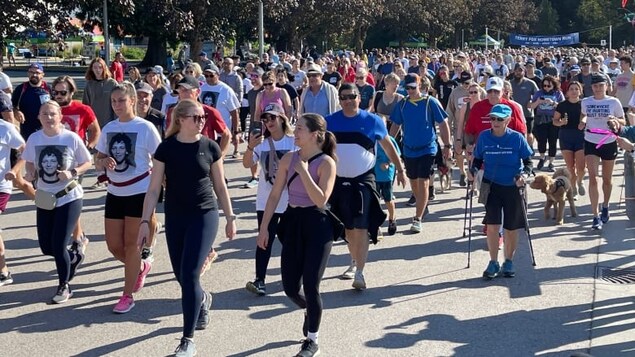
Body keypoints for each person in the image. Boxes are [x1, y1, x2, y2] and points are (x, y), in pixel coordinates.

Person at [136, 99, 236, 356]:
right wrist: (145, 222)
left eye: (203, 117)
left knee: (190, 274)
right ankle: (202, 298)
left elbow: (220, 186)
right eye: (196, 117)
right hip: (176, 215)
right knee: (182, 276)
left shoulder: (210, 147)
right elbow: (154, 188)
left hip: (204, 214)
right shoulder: (166, 148)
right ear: (180, 119)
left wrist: (230, 217)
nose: (201, 121)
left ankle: (187, 340)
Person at [257, 113, 337, 357]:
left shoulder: (326, 163)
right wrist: (264, 228)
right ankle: (310, 310)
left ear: (315, 135)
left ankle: (312, 339)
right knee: (290, 287)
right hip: (292, 221)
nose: (295, 132)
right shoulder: (288, 159)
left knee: (311, 284)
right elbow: (274, 195)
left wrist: (303, 172)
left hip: (318, 224)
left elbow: (321, 200)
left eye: (300, 128)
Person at [327, 83, 405, 290]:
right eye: (343, 97)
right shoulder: (329, 122)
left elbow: (389, 147)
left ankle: (359, 272)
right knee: (348, 228)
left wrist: (400, 169)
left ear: (359, 98)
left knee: (361, 227)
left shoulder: (373, 121)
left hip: (363, 180)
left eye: (351, 96)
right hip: (338, 181)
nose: (347, 101)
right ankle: (353, 262)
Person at [95, 82, 162, 313]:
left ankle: (127, 295)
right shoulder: (109, 128)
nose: (117, 105)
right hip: (114, 192)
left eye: (121, 100)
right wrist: (102, 162)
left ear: (132, 101)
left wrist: (162, 186)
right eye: (113, 101)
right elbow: (98, 157)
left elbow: (160, 159)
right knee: (114, 246)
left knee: (132, 245)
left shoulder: (145, 128)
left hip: (139, 192)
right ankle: (140, 267)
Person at [21, 100, 92, 302]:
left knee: (59, 243)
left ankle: (64, 286)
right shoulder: (35, 138)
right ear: (39, 117)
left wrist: (72, 172)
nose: (49, 118)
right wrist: (30, 172)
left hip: (69, 196)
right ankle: (74, 258)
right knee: (46, 246)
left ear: (60, 116)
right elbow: (29, 162)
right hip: (44, 196)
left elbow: (87, 162)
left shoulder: (70, 138)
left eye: (53, 114)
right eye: (45, 114)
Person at [470, 104, 533, 280]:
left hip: (513, 185)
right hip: (492, 185)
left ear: (508, 120)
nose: (495, 122)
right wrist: (472, 171)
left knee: (511, 228)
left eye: (499, 119)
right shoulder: (483, 137)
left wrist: (524, 175)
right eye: (492, 118)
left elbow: (528, 162)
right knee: (492, 226)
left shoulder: (517, 138)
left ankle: (509, 261)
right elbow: (477, 159)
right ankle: (493, 261)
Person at [243, 103, 297, 295]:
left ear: (282, 118)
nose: (269, 122)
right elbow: (247, 164)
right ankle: (260, 280)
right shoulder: (262, 144)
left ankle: (292, 277)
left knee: (291, 241)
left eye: (272, 117)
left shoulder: (293, 142)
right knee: (264, 239)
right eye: (265, 119)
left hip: (291, 200)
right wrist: (250, 146)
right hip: (266, 200)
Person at [389, 74, 452, 232]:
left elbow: (443, 123)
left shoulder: (430, 102)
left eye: (413, 87)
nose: (409, 91)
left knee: (423, 180)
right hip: (409, 149)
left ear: (420, 86)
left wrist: (447, 145)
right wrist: (388, 146)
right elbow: (395, 126)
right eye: (407, 88)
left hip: (428, 148)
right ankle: (422, 206)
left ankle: (417, 218)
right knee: (414, 181)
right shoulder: (402, 104)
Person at [52, 76, 101, 255]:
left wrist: (90, 147)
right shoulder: (50, 110)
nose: (58, 96)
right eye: (55, 92)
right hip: (52, 162)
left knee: (70, 198)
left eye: (63, 92)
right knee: (59, 200)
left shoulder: (82, 109)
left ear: (72, 92)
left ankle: (78, 238)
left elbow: (96, 131)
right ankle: (77, 235)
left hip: (75, 163)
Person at [580, 73, 625, 230]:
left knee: (607, 179)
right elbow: (584, 116)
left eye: (600, 85)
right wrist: (582, 122)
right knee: (593, 178)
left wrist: (615, 120)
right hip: (591, 140)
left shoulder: (614, 101)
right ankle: (595, 215)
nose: (598, 89)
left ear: (606, 86)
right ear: (591, 87)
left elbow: (623, 120)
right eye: (595, 86)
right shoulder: (586, 101)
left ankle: (605, 205)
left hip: (608, 141)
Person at [0, 102, 26, 286]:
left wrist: (16, 169)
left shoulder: (6, 128)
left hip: (1, 184)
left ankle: (3, 272)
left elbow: (25, 150)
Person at [553, 81, 586, 198]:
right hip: (566, 136)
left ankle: (580, 181)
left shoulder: (584, 104)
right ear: (567, 92)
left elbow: (588, 115)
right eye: (571, 89)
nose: (574, 91)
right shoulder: (562, 105)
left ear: (580, 91)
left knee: (581, 167)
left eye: (576, 89)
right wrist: (561, 122)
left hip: (580, 136)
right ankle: (573, 187)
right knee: (570, 166)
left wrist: (584, 121)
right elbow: (555, 121)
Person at [529, 75, 565, 172]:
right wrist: (538, 101)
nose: (546, 88)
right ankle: (542, 158)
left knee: (552, 141)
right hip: (541, 120)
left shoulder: (558, 93)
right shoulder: (539, 93)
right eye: (544, 86)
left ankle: (551, 162)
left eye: (548, 86)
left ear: (553, 85)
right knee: (541, 141)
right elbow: (531, 106)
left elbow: (563, 106)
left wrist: (553, 103)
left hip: (553, 120)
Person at [83, 58, 118, 128]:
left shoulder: (112, 83)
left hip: (110, 122)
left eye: (100, 67)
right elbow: (86, 105)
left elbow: (117, 103)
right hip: (94, 123)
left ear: (104, 68)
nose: (98, 70)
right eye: (95, 67)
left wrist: (116, 121)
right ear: (91, 69)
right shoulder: (89, 85)